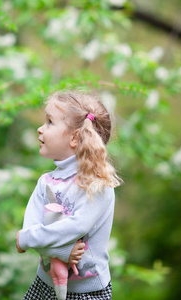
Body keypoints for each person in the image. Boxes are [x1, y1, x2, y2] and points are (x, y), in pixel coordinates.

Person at [15, 90, 122, 300]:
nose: (40, 129)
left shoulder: (97, 184)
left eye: (49, 122)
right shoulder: (45, 182)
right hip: (44, 284)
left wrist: (26, 239)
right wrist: (63, 251)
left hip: (88, 292)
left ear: (74, 138)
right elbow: (32, 228)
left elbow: (76, 226)